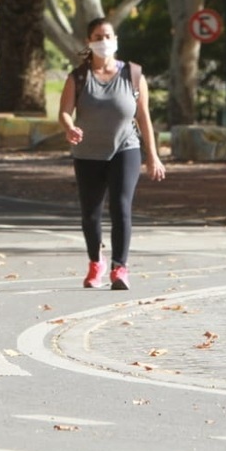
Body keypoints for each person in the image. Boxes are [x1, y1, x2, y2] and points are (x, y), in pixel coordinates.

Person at [58, 17, 166, 291]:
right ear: (89, 42)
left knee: (121, 207)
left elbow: (144, 119)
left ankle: (120, 268)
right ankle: (96, 262)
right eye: (97, 37)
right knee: (91, 214)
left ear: (115, 39)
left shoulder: (133, 74)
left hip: (125, 149)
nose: (103, 42)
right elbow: (64, 112)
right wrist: (70, 127)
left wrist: (152, 155)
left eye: (107, 36)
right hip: (88, 154)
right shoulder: (78, 77)